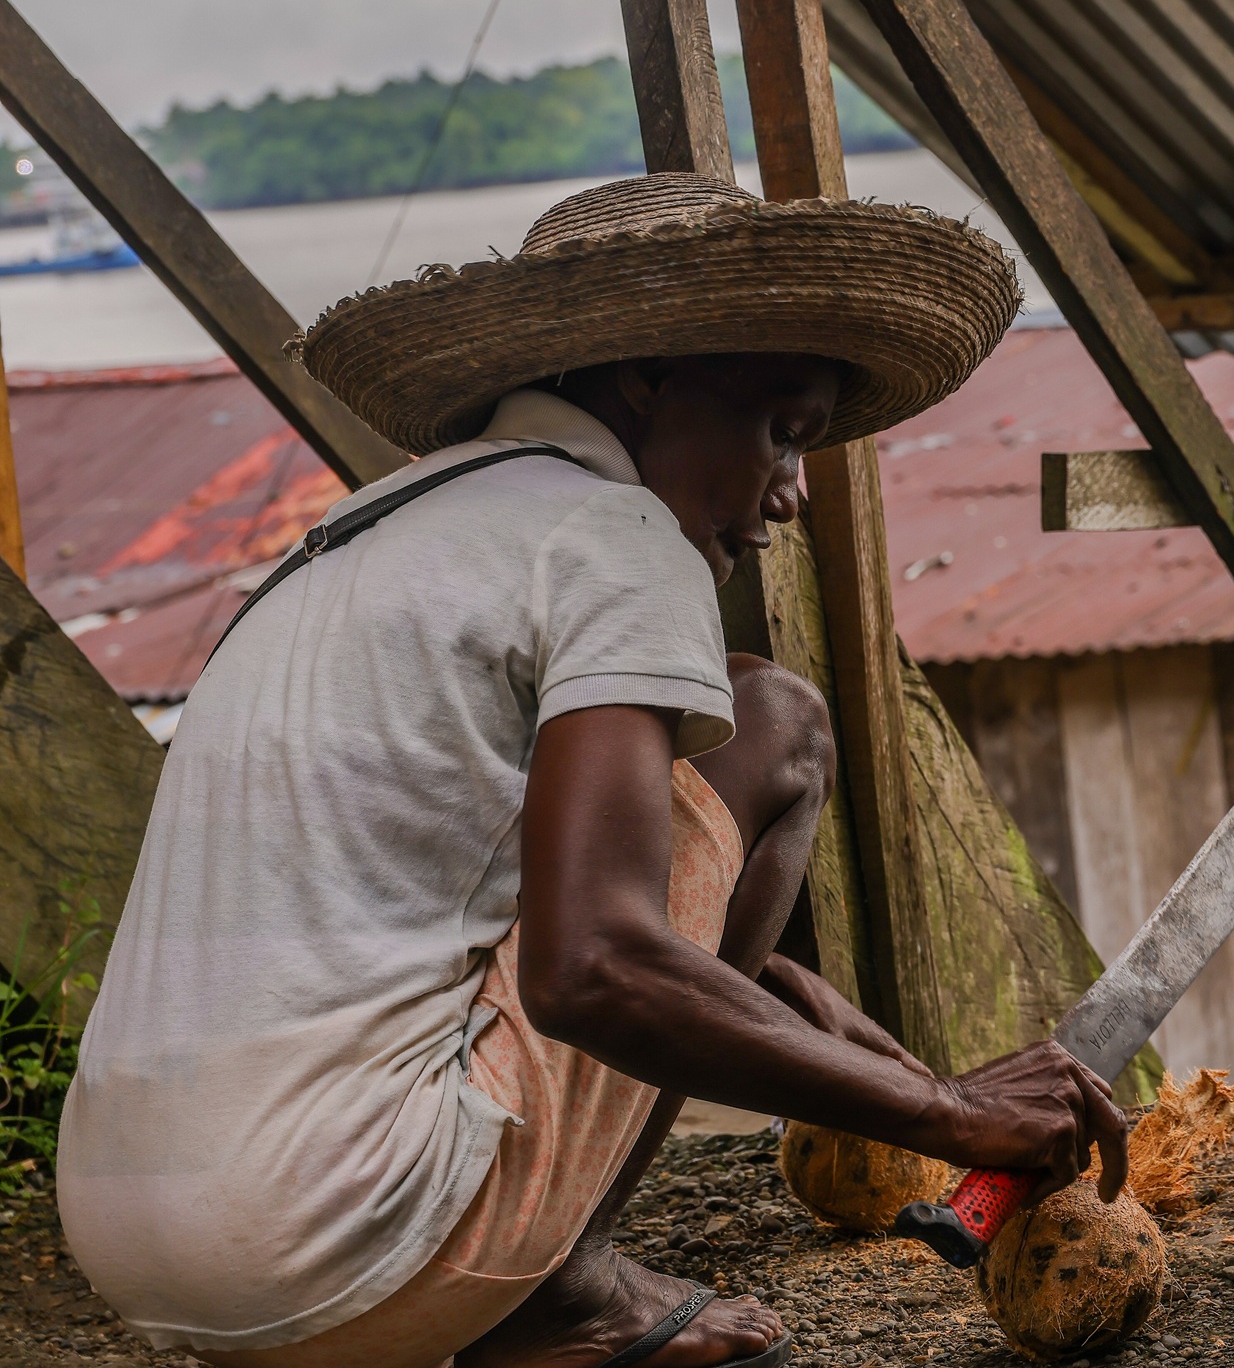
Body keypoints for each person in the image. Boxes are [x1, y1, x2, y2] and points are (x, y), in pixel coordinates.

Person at [56, 175, 1126, 1368]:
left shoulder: (357, 535)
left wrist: (785, 995)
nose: (789, 494)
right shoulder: (616, 534)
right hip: (350, 1255)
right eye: (783, 432)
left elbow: (432, 895)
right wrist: (952, 1113)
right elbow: (593, 969)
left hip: (136, 1248)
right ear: (648, 378)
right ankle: (558, 1300)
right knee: (773, 720)